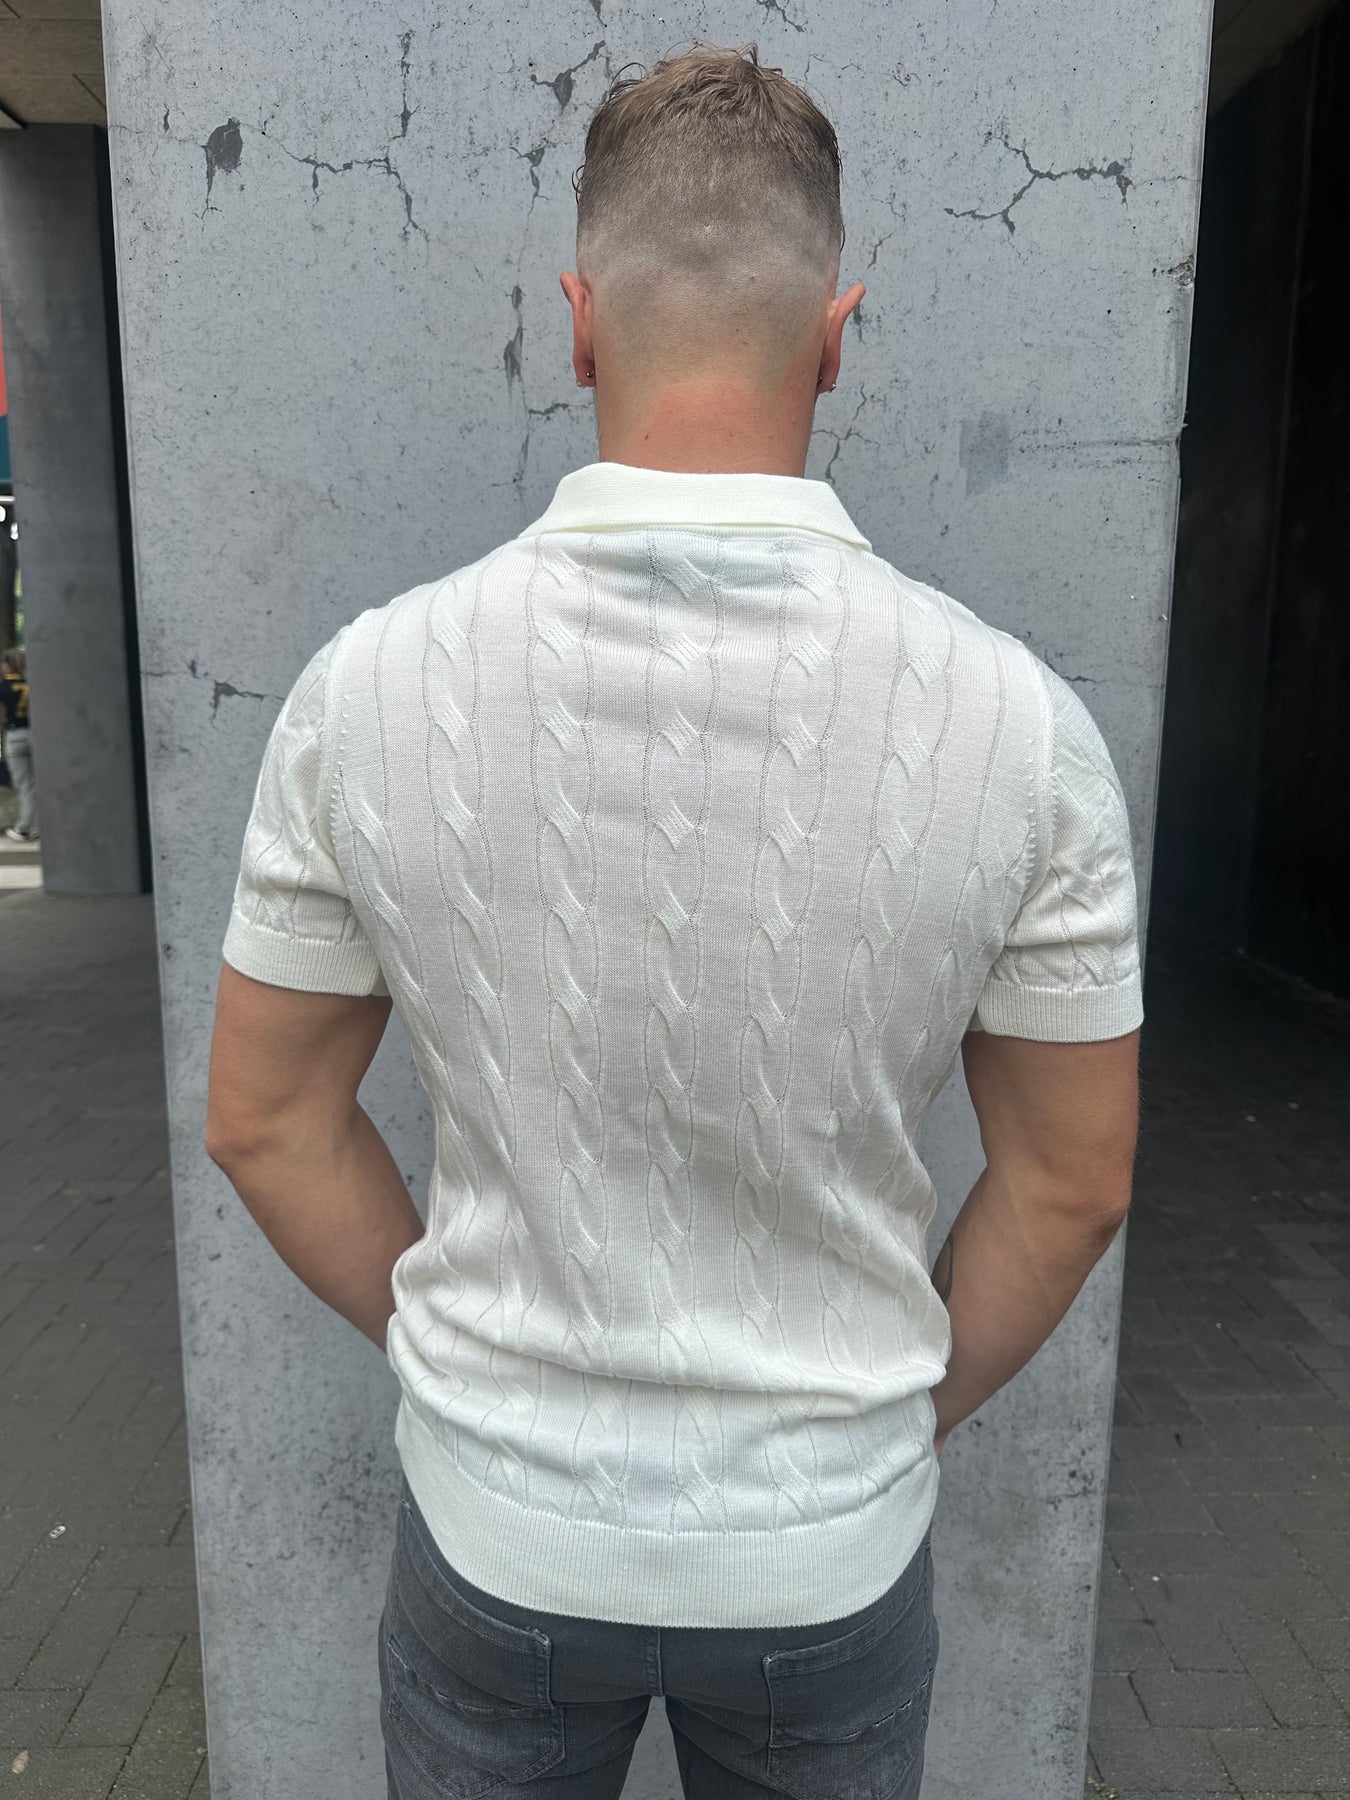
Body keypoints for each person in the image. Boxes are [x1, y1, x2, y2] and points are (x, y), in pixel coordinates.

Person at [205, 45, 1142, 1800]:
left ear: (576, 327)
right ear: (836, 337)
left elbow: (262, 1118)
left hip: (493, 1534)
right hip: (830, 1557)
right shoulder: (1022, 733)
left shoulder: (365, 694)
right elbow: (1075, 1181)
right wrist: (873, 1422)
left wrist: (464, 1370)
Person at [0, 645, 38, 844]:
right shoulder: (31, 684)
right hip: (34, 734)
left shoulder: (3, 686)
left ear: (8, 665)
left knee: (24, 784)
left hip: (14, 736)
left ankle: (23, 827)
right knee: (35, 782)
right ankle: (36, 828)